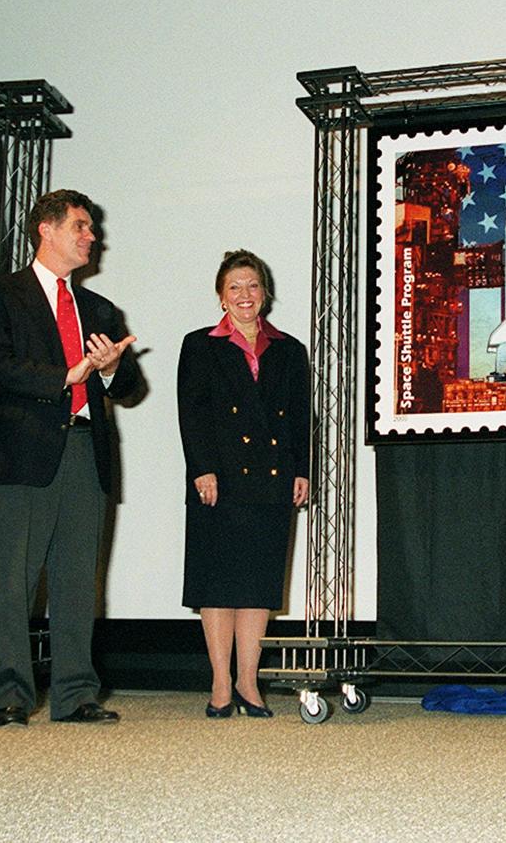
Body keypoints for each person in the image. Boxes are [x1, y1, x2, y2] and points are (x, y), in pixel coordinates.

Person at [0, 189, 140, 728]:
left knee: (77, 580)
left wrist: (110, 368)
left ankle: (75, 694)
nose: (92, 236)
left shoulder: (101, 309)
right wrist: (64, 377)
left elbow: (129, 386)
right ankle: (9, 695)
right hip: (20, 456)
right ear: (46, 228)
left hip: (87, 453)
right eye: (81, 226)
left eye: (91, 228)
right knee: (12, 581)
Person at [177, 249, 309, 718]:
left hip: (272, 479)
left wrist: (301, 469)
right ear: (221, 296)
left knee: (257, 584)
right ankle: (220, 682)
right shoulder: (199, 345)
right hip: (219, 480)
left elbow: (300, 417)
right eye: (234, 287)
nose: (244, 294)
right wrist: (202, 468)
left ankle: (248, 682)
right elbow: (191, 414)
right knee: (217, 584)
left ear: (265, 293)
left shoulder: (290, 350)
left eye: (252, 285)